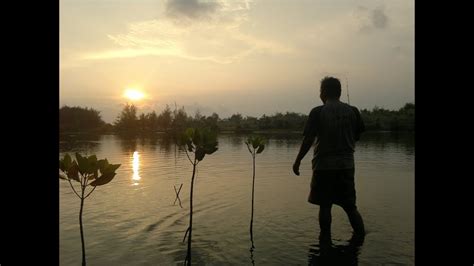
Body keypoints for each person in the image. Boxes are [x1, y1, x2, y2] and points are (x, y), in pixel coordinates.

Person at [292, 76, 365, 237]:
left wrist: (297, 161)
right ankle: (360, 238)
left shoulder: (318, 112)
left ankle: (324, 241)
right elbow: (357, 136)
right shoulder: (353, 111)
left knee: (325, 206)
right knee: (350, 207)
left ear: (323, 93)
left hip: (323, 167)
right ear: (339, 92)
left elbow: (308, 139)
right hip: (346, 166)